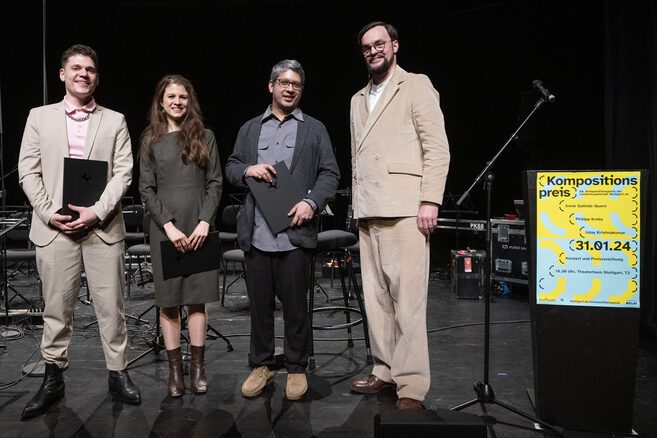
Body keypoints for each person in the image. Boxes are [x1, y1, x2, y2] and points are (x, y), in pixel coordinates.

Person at [18, 44, 140, 420]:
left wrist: (96, 211)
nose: (83, 74)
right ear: (63, 74)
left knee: (111, 308)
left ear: (96, 77)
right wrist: (49, 211)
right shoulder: (39, 117)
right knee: (56, 310)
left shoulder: (115, 120)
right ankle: (53, 379)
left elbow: (124, 173)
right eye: (76, 68)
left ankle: (117, 374)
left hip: (101, 228)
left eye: (89, 69)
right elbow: (28, 171)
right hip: (55, 230)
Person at [349, 22, 450, 410]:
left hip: (406, 208)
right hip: (369, 209)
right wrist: (356, 207)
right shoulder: (358, 98)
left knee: (407, 302)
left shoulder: (417, 85)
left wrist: (430, 201)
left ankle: (411, 386)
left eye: (379, 44)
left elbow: (436, 148)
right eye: (366, 47)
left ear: (394, 46)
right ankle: (384, 368)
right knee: (377, 300)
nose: (373, 51)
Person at [225, 59, 339, 401]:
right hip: (257, 234)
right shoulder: (249, 129)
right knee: (259, 307)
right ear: (271, 85)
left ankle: (296, 368)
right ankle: (262, 366)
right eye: (284, 82)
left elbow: (330, 174)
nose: (290, 89)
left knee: (295, 309)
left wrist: (312, 203)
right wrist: (248, 170)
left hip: (295, 233)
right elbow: (231, 167)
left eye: (297, 85)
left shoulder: (314, 129)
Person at [139, 74, 222, 397]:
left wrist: (205, 221)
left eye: (183, 97)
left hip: (200, 226)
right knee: (170, 301)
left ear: (190, 101)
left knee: (196, 300)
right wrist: (169, 227)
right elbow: (145, 188)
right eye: (171, 97)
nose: (177, 102)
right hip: (165, 230)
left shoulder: (206, 136)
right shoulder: (150, 139)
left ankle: (197, 368)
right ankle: (175, 372)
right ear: (161, 102)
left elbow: (215, 182)